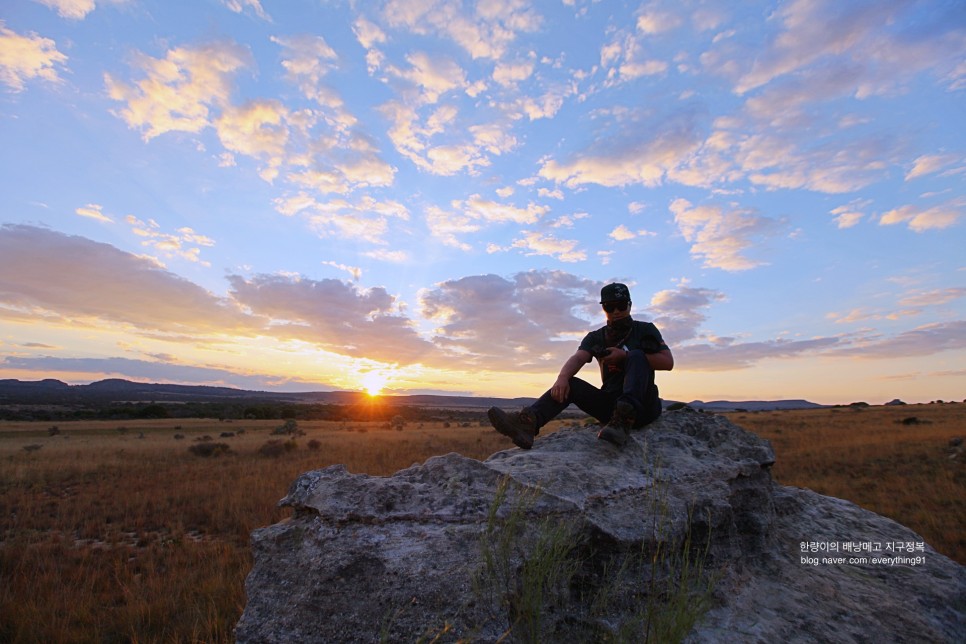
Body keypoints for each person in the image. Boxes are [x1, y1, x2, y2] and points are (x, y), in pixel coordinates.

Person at [487, 282, 673, 448]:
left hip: (643, 407)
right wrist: (562, 378)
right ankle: (527, 424)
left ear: (630, 306)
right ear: (603, 309)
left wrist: (625, 356)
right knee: (571, 383)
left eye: (621, 305)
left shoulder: (645, 330)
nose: (616, 311)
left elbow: (668, 362)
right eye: (610, 306)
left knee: (637, 356)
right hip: (611, 408)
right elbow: (578, 357)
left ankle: (624, 419)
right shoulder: (596, 337)